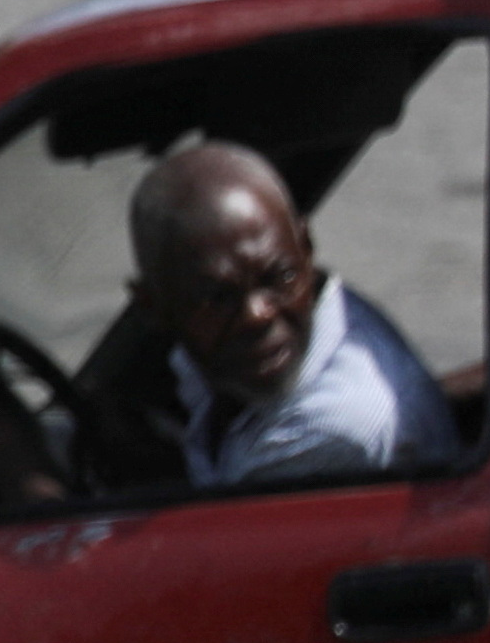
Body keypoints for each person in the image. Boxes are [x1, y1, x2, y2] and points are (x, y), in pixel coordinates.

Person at [114, 142, 460, 494]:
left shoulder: (329, 433)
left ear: (306, 248)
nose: (257, 315)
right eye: (218, 298)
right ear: (152, 307)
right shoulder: (254, 352)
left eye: (277, 278)